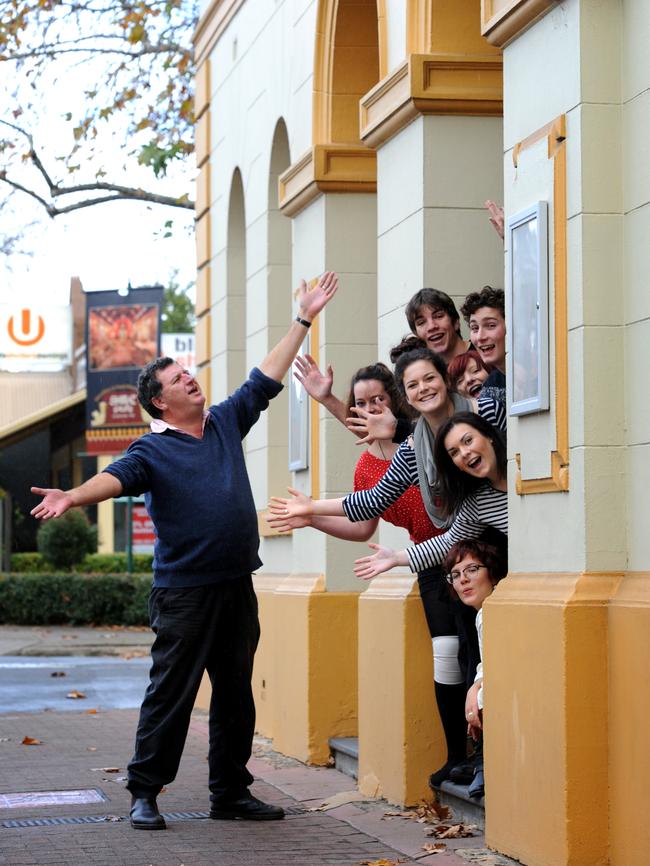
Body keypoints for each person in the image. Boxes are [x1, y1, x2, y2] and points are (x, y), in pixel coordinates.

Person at [30, 271, 339, 831]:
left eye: (188, 373)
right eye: (178, 379)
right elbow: (116, 479)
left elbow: (265, 378)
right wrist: (73, 496)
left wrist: (303, 318)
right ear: (159, 401)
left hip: (235, 585)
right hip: (183, 595)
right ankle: (144, 791)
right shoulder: (150, 449)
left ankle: (230, 793)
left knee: (236, 698)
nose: (190, 379)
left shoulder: (223, 422)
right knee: (171, 695)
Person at [269, 348, 506, 787]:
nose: (421, 390)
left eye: (426, 380)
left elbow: (403, 428)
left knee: (482, 651)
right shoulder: (410, 450)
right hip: (441, 555)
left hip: (486, 550)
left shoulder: (474, 419)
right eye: (412, 385)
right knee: (457, 655)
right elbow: (368, 505)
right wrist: (311, 512)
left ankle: (484, 758)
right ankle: (465, 756)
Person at [351, 412, 507, 580]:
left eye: (468, 440)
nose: (464, 453)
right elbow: (447, 543)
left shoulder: (526, 465)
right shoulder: (479, 502)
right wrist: (396, 558)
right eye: (454, 452)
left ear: (489, 436)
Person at [443, 538, 508, 799]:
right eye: (456, 574)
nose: (463, 580)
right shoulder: (486, 613)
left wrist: (476, 698)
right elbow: (492, 664)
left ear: (491, 571)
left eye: (472, 570)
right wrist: (475, 688)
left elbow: (502, 671)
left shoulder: (492, 613)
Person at [460, 286, 506, 403]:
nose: (480, 337)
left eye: (491, 325)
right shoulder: (491, 386)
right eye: (474, 328)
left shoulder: (543, 368)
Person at [404, 288, 470, 364]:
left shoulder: (483, 354)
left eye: (439, 316)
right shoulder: (424, 372)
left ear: (456, 322)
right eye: (421, 322)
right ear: (416, 334)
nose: (431, 327)